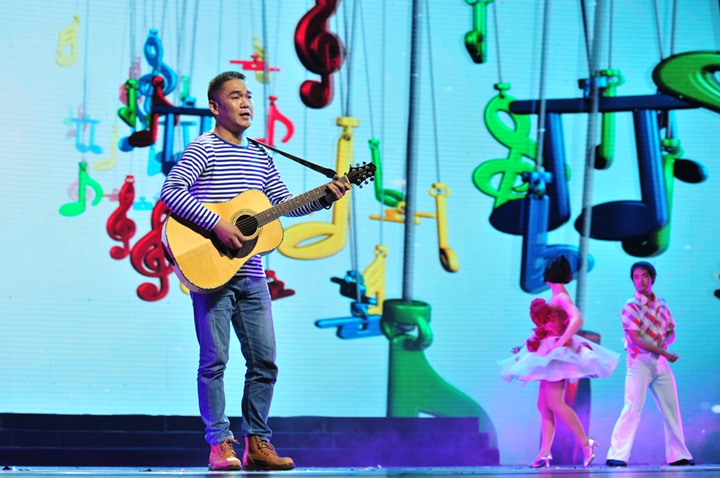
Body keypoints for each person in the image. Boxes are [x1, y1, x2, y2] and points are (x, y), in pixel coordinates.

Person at [160, 71, 350, 471]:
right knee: (214, 362)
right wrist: (217, 224)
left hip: (252, 273)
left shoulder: (261, 155)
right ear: (215, 107)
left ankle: (258, 443)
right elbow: (171, 193)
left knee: (265, 362)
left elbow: (284, 204)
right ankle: (220, 445)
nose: (246, 102)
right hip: (211, 273)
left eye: (248, 95)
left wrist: (324, 198)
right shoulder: (203, 148)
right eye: (235, 96)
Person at [498, 255, 620, 468]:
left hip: (556, 354)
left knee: (555, 403)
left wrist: (561, 343)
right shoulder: (556, 295)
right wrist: (524, 346)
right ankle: (544, 452)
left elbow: (577, 319)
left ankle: (586, 443)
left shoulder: (562, 296)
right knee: (543, 404)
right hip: (549, 350)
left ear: (549, 276)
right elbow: (544, 329)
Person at [605, 262, 695, 467]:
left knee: (671, 409)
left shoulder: (662, 303)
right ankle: (617, 455)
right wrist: (664, 352)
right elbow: (636, 339)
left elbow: (671, 331)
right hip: (639, 363)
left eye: (644, 276)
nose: (640, 280)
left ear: (652, 278)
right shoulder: (631, 306)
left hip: (660, 363)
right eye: (636, 277)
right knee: (633, 407)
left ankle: (678, 455)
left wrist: (665, 343)